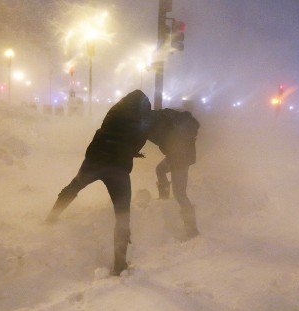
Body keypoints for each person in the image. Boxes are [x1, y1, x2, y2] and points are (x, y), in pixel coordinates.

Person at [45, 89, 152, 276]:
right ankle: (119, 265)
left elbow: (106, 130)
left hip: (95, 160)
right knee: (122, 215)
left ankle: (51, 217)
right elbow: (138, 141)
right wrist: (132, 150)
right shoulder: (142, 120)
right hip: (117, 167)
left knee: (74, 186)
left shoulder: (115, 110)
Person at [147, 108, 200, 239]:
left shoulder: (155, 123)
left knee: (180, 194)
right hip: (176, 154)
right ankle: (164, 199)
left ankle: (192, 231)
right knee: (160, 169)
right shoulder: (159, 117)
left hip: (180, 157)